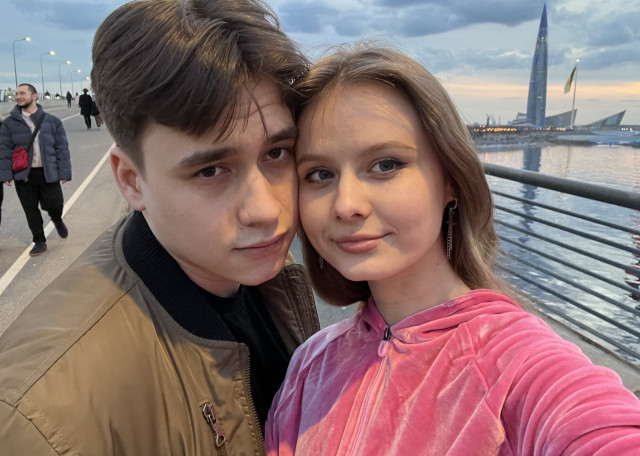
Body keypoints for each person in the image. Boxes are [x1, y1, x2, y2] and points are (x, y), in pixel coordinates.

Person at [266, 43, 640, 455]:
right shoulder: (309, 365)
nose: (346, 205)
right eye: (320, 174)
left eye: (386, 165)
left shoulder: (518, 365)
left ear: (451, 179)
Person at [0, 0, 320, 454]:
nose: (266, 210)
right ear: (132, 181)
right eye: (210, 170)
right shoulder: (42, 424)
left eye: (276, 153)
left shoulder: (261, 270)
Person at [0, 83, 71, 256]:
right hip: (24, 174)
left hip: (48, 172)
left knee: (55, 203)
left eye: (22, 93)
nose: (18, 96)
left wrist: (64, 172)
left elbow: (62, 148)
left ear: (34, 96)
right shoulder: (9, 124)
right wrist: (6, 174)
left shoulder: (52, 121)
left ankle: (56, 219)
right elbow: (5, 150)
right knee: (30, 209)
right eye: (17, 94)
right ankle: (39, 241)